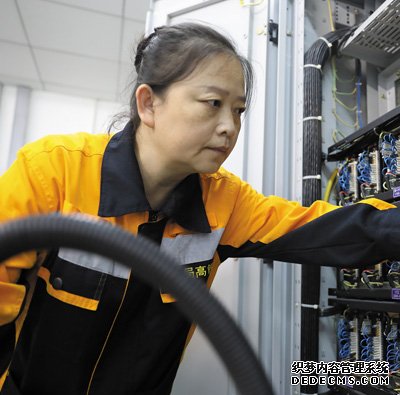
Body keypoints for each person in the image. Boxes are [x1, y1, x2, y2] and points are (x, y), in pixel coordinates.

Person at [0, 22, 398, 395]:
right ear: (148, 104)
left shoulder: (224, 203)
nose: (229, 127)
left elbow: (326, 228)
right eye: (213, 103)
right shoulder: (53, 173)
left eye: (239, 110)